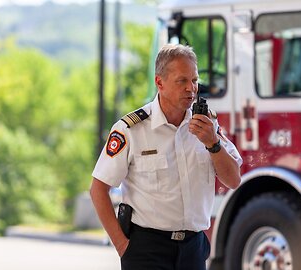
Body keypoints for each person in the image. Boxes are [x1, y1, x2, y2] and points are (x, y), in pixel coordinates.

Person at [89, 44, 242, 270]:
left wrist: (213, 143)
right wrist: (123, 246)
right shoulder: (131, 129)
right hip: (147, 250)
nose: (191, 88)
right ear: (159, 82)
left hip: (193, 249)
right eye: (182, 81)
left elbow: (233, 180)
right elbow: (98, 188)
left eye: (194, 80)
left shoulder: (207, 124)